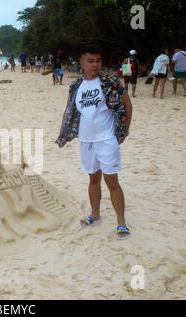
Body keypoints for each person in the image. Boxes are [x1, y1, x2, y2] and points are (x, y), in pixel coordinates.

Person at [55, 44, 133, 240]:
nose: (95, 64)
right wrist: (66, 132)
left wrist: (124, 131)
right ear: (80, 62)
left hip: (106, 140)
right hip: (86, 140)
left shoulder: (110, 82)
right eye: (90, 61)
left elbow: (127, 105)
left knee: (112, 181)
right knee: (93, 179)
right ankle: (95, 215)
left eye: (98, 60)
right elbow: (70, 110)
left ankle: (121, 222)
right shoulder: (76, 85)